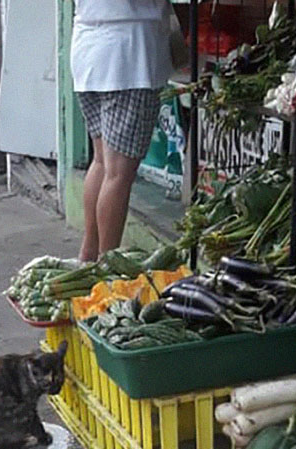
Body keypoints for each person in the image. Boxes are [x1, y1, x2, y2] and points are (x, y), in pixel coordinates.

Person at [70, 0, 172, 262]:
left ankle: (89, 256)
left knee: (102, 162)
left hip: (88, 50)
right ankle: (108, 263)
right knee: (118, 174)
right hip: (128, 57)